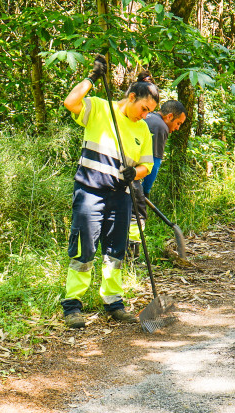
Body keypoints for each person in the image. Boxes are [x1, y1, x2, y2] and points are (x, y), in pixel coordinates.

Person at [60, 55, 156, 329]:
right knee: (83, 248)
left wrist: (133, 174)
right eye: (144, 108)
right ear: (132, 97)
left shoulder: (144, 130)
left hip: (120, 195)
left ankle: (113, 303)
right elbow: (70, 103)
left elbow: (146, 165)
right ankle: (72, 306)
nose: (145, 114)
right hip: (90, 191)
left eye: (150, 111)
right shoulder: (101, 109)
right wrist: (92, 77)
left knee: (115, 250)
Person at [128, 95, 187, 256]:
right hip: (134, 178)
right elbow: (153, 164)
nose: (177, 128)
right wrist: (145, 191)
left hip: (124, 173)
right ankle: (131, 259)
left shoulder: (149, 119)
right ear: (169, 117)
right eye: (178, 123)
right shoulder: (160, 126)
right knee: (137, 218)